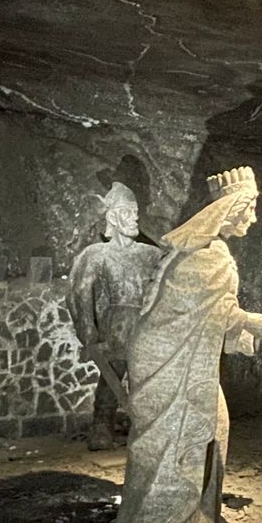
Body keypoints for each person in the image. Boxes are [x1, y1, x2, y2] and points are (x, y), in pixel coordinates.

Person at [112, 166, 262, 523]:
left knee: (213, 427)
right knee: (172, 442)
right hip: (168, 362)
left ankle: (197, 521)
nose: (254, 218)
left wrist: (246, 322)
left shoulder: (208, 250)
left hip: (178, 356)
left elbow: (209, 309)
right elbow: (191, 313)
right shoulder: (206, 255)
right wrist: (249, 322)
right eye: (251, 208)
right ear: (232, 208)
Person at [67, 182, 163, 450]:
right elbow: (80, 292)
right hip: (116, 328)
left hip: (146, 326)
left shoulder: (151, 254)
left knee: (146, 379)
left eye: (135, 212)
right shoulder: (97, 255)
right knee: (110, 380)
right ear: (112, 218)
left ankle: (147, 428)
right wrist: (88, 332)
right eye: (127, 212)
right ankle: (102, 426)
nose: (134, 218)